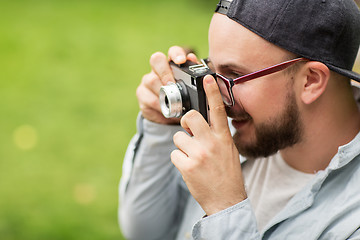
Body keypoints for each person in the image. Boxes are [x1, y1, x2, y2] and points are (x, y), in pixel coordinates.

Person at [119, 0, 360, 239]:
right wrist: (159, 129)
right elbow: (146, 232)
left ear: (311, 80)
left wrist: (225, 207)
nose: (219, 98)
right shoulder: (238, 133)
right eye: (211, 70)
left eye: (235, 75)